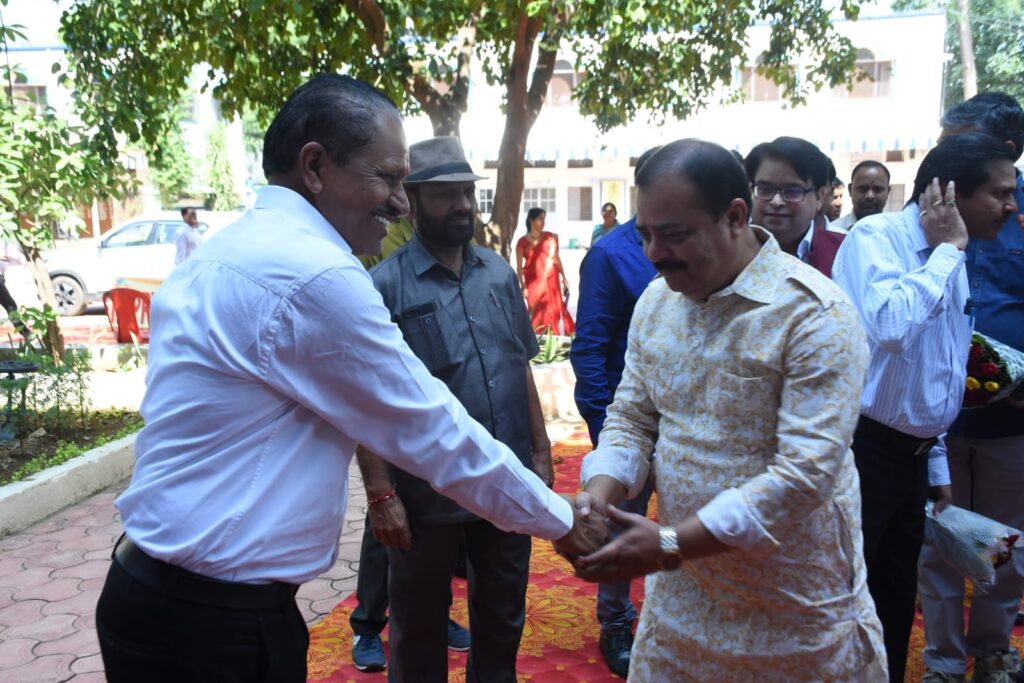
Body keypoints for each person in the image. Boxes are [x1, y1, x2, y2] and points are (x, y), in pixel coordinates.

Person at [93, 74, 604, 683]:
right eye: (387, 179)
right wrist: (561, 520)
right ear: (315, 167)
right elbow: (431, 429)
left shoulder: (234, 249)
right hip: (211, 623)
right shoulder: (314, 275)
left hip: (166, 598)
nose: (400, 203)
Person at [570, 138, 887, 681]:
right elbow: (632, 419)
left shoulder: (813, 315)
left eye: (674, 234)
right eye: (645, 234)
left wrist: (671, 542)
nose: (654, 253)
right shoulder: (657, 301)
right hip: (682, 607)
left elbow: (805, 477)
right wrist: (597, 497)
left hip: (796, 613)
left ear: (735, 217)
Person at [353, 135, 555, 681]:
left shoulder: (498, 274)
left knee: (503, 614)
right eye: (445, 194)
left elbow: (520, 365)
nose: (463, 204)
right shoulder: (383, 286)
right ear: (412, 201)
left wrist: (539, 452)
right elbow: (364, 401)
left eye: (467, 191)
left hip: (506, 479)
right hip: (426, 490)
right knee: (419, 625)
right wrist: (380, 494)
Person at [832, 132, 1019, 683]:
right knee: (849, 596)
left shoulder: (952, 254)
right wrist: (946, 251)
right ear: (949, 192)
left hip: (912, 458)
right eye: (1001, 193)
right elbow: (892, 327)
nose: (1011, 207)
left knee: (892, 599)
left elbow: (935, 369)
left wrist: (934, 465)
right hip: (862, 453)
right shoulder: (877, 237)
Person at [916, 93, 1024, 683]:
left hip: (1013, 421)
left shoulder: (1017, 211)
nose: (943, 158)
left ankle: (991, 651)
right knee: (938, 540)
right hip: (935, 418)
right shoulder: (928, 208)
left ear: (1004, 149)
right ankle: (942, 661)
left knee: (1006, 546)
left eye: (956, 144)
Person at [570, 151, 659, 679]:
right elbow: (590, 346)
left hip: (691, 425)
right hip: (628, 420)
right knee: (621, 523)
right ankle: (616, 619)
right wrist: (606, 428)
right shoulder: (610, 253)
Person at [745, 136, 846, 277]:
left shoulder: (845, 251)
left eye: (792, 191)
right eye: (764, 189)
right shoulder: (728, 250)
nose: (776, 201)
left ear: (820, 197)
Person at [516, 208, 575, 335]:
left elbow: (556, 259)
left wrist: (564, 277)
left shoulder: (551, 237)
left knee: (552, 310)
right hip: (533, 282)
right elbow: (519, 267)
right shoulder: (522, 242)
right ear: (531, 220)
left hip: (551, 280)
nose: (543, 222)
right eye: (540, 219)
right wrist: (523, 286)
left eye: (544, 219)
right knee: (536, 311)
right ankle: (538, 341)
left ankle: (553, 339)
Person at [832, 161, 891, 233]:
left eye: (877, 189)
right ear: (850, 190)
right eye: (863, 189)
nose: (870, 196)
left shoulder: (897, 233)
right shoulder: (832, 231)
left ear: (888, 191)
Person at [0, 240, 29, 337]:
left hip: (1, 278)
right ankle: (25, 332)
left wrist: (26, 263)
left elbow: (17, 255)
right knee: (10, 306)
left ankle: (25, 332)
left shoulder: (4, 244)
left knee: (11, 306)